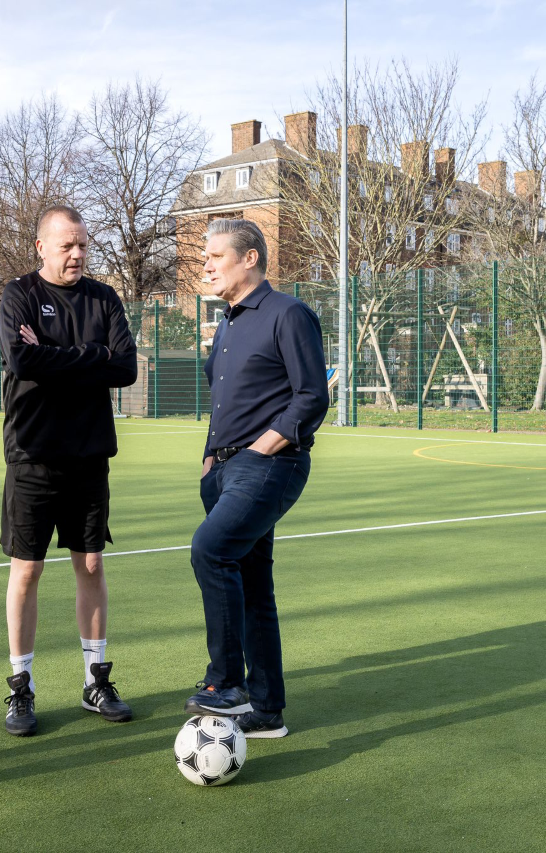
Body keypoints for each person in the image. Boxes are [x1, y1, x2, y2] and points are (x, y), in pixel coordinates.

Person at [184, 219, 329, 738]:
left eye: (215, 256)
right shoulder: (225, 322)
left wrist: (267, 444)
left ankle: (225, 682)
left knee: (210, 550)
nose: (205, 265)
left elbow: (312, 395)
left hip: (268, 465)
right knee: (253, 586)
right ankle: (267, 711)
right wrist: (209, 457)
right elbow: (224, 400)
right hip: (221, 470)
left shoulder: (288, 313)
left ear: (249, 259)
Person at [0, 205, 138, 736]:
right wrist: (91, 357)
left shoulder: (104, 297)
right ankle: (20, 688)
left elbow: (124, 366)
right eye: (66, 246)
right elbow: (22, 361)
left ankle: (95, 681)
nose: (77, 254)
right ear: (41, 247)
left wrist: (61, 355)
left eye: (82, 244)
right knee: (26, 572)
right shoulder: (20, 296)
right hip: (32, 456)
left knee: (93, 566)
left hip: (89, 457)